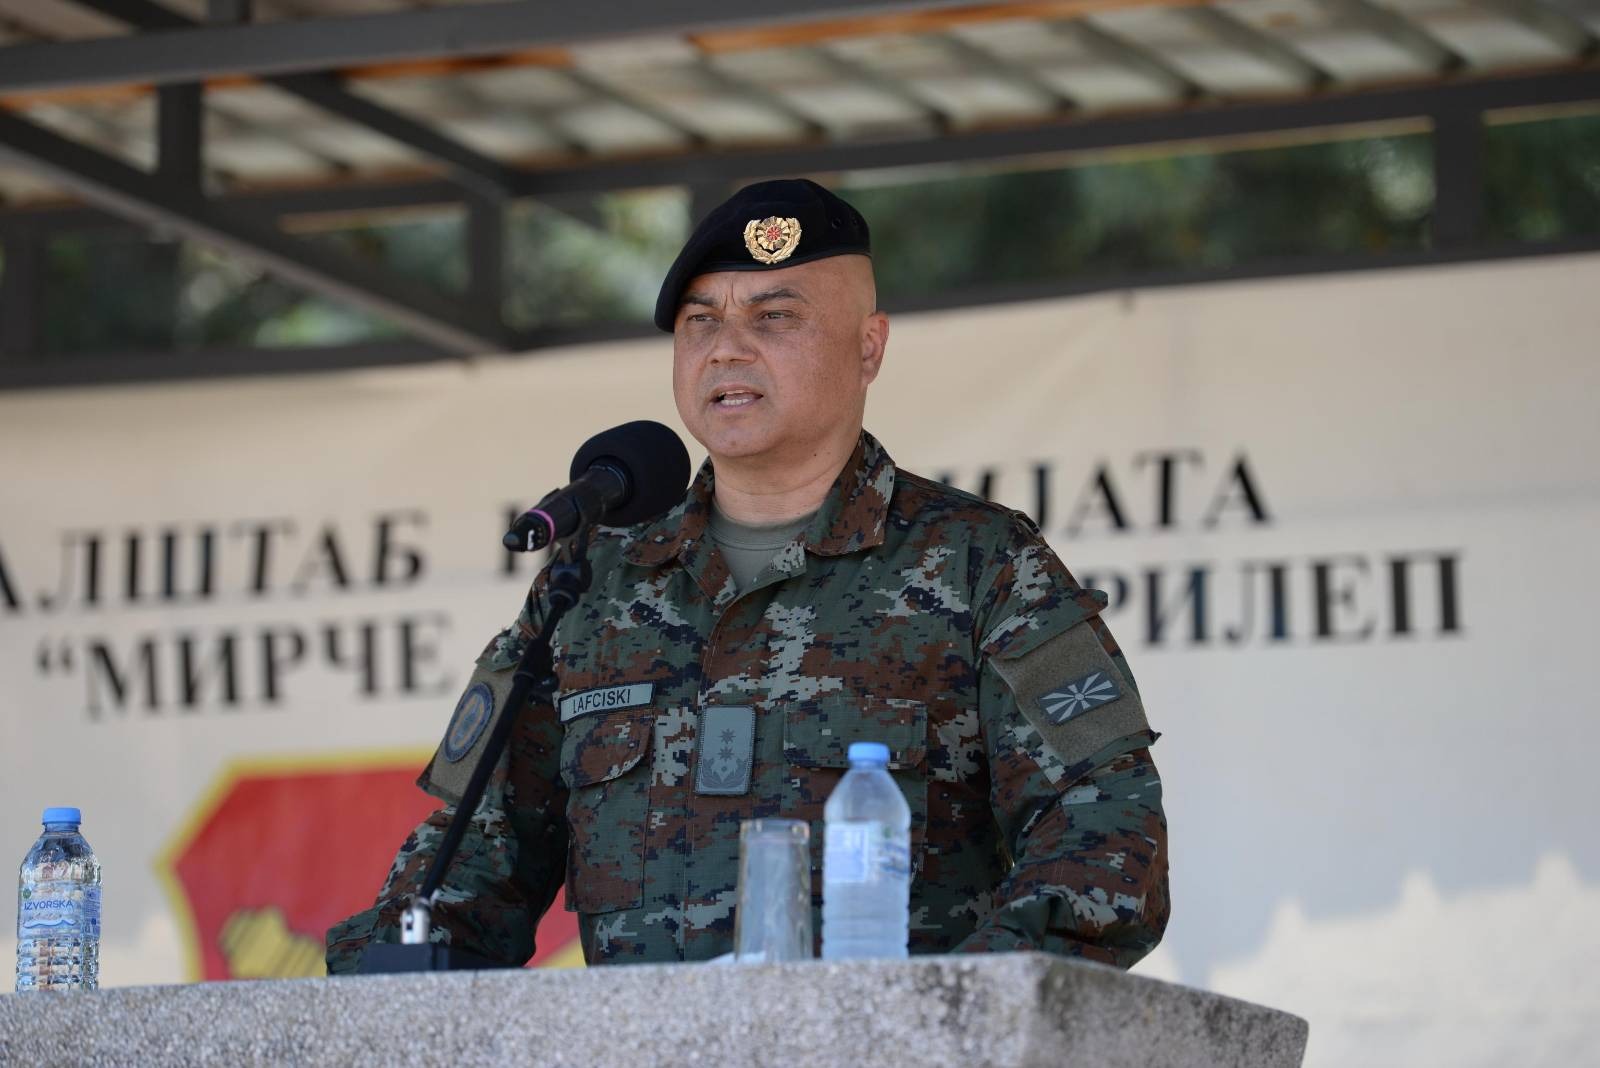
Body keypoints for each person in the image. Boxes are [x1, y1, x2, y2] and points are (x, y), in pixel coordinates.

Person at [326, 179, 1169, 971]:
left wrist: (951, 1017)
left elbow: (1105, 836)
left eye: (774, 317)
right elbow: (473, 856)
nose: (727, 348)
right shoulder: (596, 588)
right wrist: (387, 978)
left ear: (868, 347)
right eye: (700, 321)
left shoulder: (979, 564)